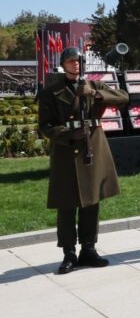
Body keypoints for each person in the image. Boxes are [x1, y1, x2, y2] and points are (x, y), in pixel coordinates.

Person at [38, 47, 129, 274]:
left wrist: (94, 94)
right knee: (67, 203)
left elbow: (124, 98)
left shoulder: (94, 85)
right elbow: (45, 125)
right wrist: (68, 135)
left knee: (91, 200)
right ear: (63, 64)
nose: (75, 64)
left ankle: (88, 248)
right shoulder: (51, 91)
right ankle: (69, 252)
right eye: (70, 61)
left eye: (78, 61)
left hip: (92, 148)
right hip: (66, 150)